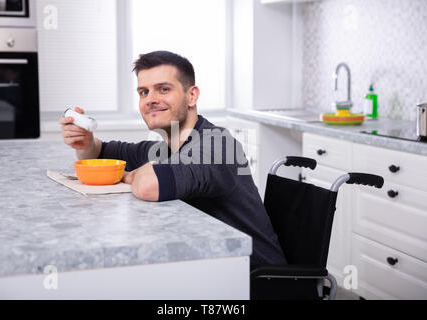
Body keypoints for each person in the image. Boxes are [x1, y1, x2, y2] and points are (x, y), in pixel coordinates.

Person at [59, 50, 287, 269]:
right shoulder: (166, 147)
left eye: (163, 89)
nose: (150, 99)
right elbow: (102, 152)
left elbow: (149, 185)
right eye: (143, 92)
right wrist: (86, 142)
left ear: (192, 95)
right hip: (210, 265)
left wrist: (129, 175)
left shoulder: (218, 145)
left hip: (253, 281)